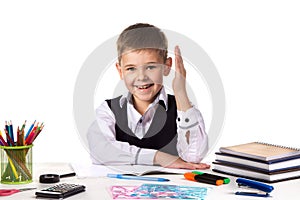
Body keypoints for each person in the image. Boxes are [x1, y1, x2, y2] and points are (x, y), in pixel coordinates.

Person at [87, 23, 210, 169]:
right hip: (120, 188)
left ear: (166, 66)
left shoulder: (182, 111)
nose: (141, 77)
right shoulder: (108, 110)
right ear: (120, 71)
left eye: (151, 67)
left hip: (170, 189)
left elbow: (193, 156)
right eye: (131, 68)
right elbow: (100, 151)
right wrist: (158, 157)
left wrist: (180, 92)